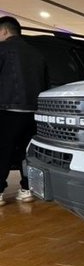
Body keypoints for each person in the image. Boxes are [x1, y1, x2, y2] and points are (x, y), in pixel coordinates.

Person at [0, 16, 48, 206]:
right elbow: (45, 84)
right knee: (27, 152)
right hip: (33, 112)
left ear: (4, 31)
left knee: (2, 150)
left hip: (7, 109)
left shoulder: (2, 49)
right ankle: (27, 189)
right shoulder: (37, 54)